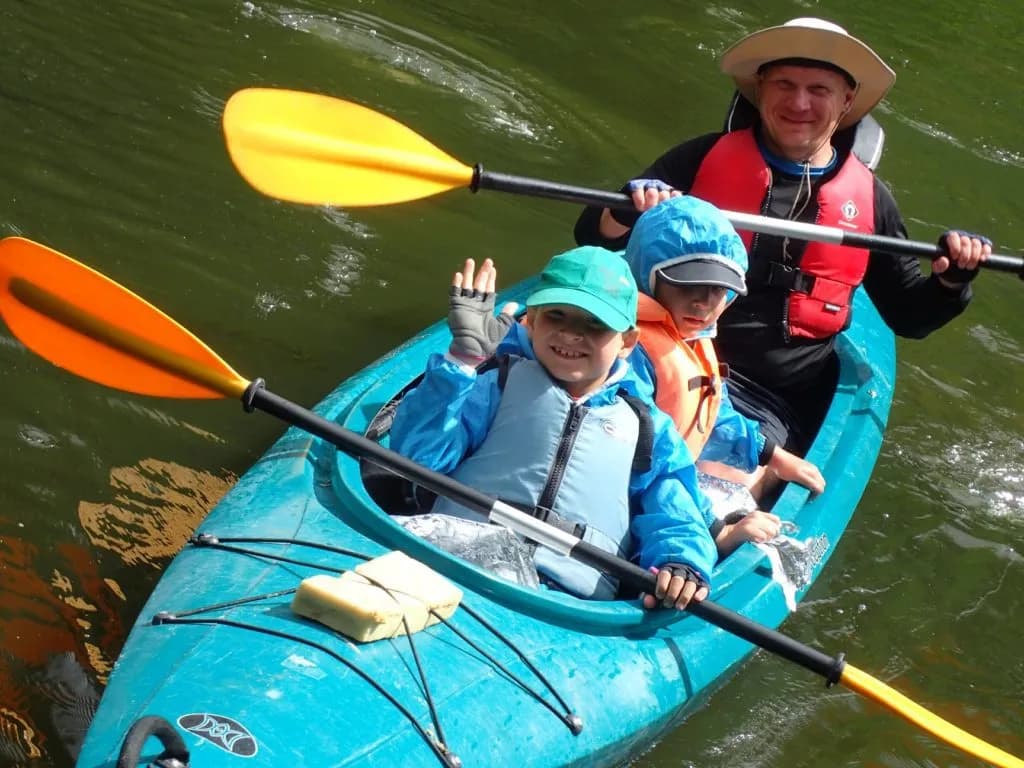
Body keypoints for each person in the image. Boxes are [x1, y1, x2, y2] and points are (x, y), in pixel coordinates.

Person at [573, 17, 992, 456]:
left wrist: (953, 280)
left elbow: (909, 316)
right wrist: (626, 209)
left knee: (713, 472)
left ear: (847, 101)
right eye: (785, 85)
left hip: (769, 395)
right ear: (760, 90)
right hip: (663, 351)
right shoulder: (700, 157)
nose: (799, 102)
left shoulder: (871, 200)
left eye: (819, 90)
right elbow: (594, 238)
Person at [390, 247, 717, 610]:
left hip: (567, 601)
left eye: (595, 324)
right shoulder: (492, 382)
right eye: (556, 316)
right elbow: (417, 459)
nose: (570, 335)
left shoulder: (648, 428)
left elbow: (675, 512)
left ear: (627, 342)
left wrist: (681, 562)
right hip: (451, 560)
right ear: (531, 321)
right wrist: (462, 361)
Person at [620, 195, 824, 525]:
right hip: (633, 491)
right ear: (648, 277)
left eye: (718, 289)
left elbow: (712, 416)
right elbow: (652, 455)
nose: (703, 302)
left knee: (760, 487)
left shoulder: (693, 339)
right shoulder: (630, 348)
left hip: (664, 482)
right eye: (688, 285)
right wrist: (714, 528)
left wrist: (771, 454)